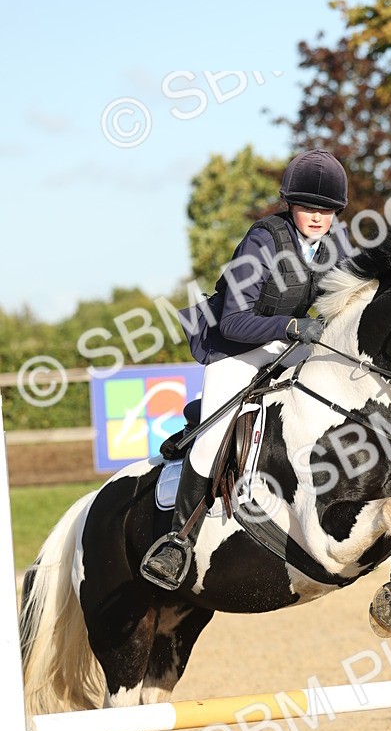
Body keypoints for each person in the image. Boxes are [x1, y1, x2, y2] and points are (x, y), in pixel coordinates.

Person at [140, 149, 352, 590]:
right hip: (235, 346)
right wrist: (293, 325)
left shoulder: (336, 243)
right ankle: (177, 539)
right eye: (309, 207)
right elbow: (235, 321)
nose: (317, 217)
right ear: (290, 204)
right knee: (212, 437)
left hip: (287, 345)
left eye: (326, 209)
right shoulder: (264, 240)